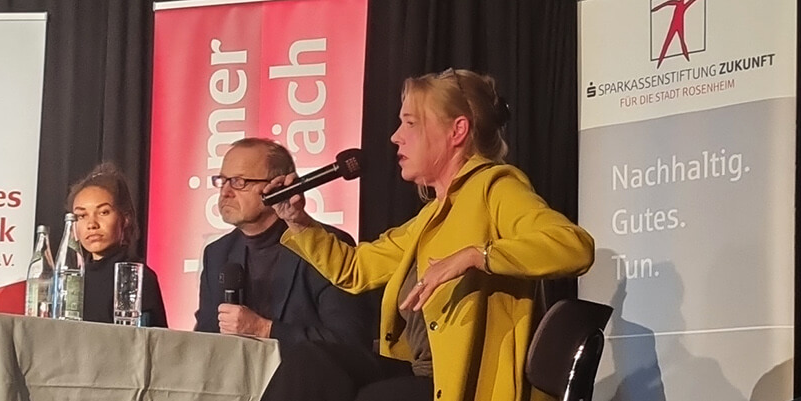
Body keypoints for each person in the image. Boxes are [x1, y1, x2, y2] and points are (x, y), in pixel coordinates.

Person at [266, 69, 595, 401]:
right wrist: (298, 220)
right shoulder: (431, 217)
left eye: (410, 123)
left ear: (457, 130)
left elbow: (573, 246)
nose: (396, 136)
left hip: (465, 389)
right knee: (312, 360)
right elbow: (356, 269)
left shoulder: (495, 187)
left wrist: (475, 256)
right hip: (421, 375)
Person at [194, 138, 377, 348]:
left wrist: (264, 329)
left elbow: (349, 342)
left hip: (306, 369)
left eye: (239, 182)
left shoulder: (327, 246)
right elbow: (205, 339)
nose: (225, 192)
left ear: (276, 186)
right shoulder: (217, 253)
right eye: (222, 180)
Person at [68, 162, 168, 327]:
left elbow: (146, 339)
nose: (91, 224)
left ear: (125, 218)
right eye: (82, 216)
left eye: (103, 212)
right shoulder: (70, 279)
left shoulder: (137, 278)